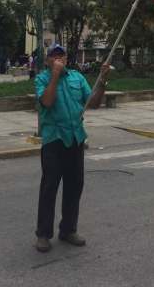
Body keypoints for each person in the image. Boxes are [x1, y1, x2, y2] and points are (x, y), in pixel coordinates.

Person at [34, 43, 111, 253]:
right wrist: (55, 75)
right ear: (48, 60)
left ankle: (68, 229)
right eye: (54, 56)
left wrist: (102, 80)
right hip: (54, 140)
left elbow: (93, 102)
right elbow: (47, 102)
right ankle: (43, 234)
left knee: (74, 186)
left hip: (75, 138)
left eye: (62, 56)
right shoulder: (42, 79)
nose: (59, 59)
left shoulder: (77, 78)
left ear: (67, 59)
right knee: (49, 188)